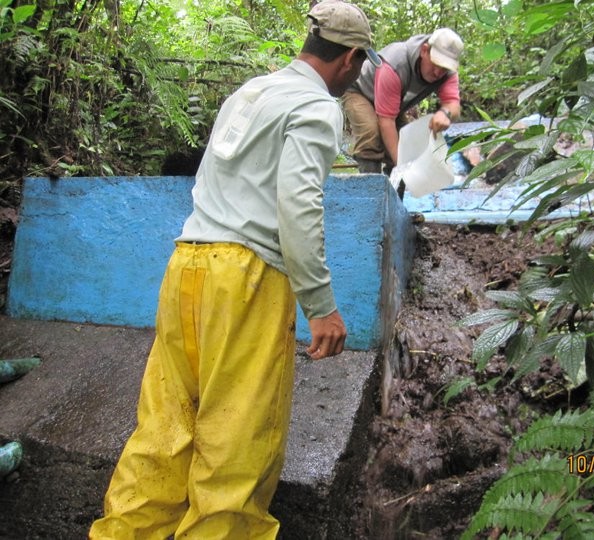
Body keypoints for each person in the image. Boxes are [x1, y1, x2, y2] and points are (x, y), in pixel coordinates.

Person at [89, 1, 380, 538]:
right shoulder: (316, 108)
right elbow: (298, 208)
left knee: (164, 425)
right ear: (352, 58)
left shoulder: (249, 91)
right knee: (236, 437)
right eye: (361, 65)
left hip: (187, 264)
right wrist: (322, 308)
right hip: (245, 278)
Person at [342, 28, 464, 176]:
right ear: (424, 51)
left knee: (404, 145)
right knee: (370, 137)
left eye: (444, 68)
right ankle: (371, 194)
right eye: (435, 64)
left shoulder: (447, 73)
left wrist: (445, 113)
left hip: (391, 102)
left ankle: (395, 197)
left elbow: (453, 104)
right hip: (360, 91)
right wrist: (404, 169)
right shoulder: (396, 64)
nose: (438, 73)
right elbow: (386, 122)